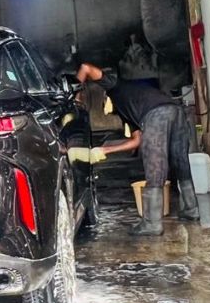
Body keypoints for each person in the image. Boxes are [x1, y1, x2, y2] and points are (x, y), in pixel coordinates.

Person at [76, 62, 199, 236]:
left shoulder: (114, 87)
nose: (106, 110)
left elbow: (86, 68)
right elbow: (137, 141)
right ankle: (191, 209)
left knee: (155, 168)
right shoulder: (126, 112)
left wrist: (74, 96)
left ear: (106, 98)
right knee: (181, 162)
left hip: (156, 114)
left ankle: (152, 224)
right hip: (175, 111)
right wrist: (106, 150)